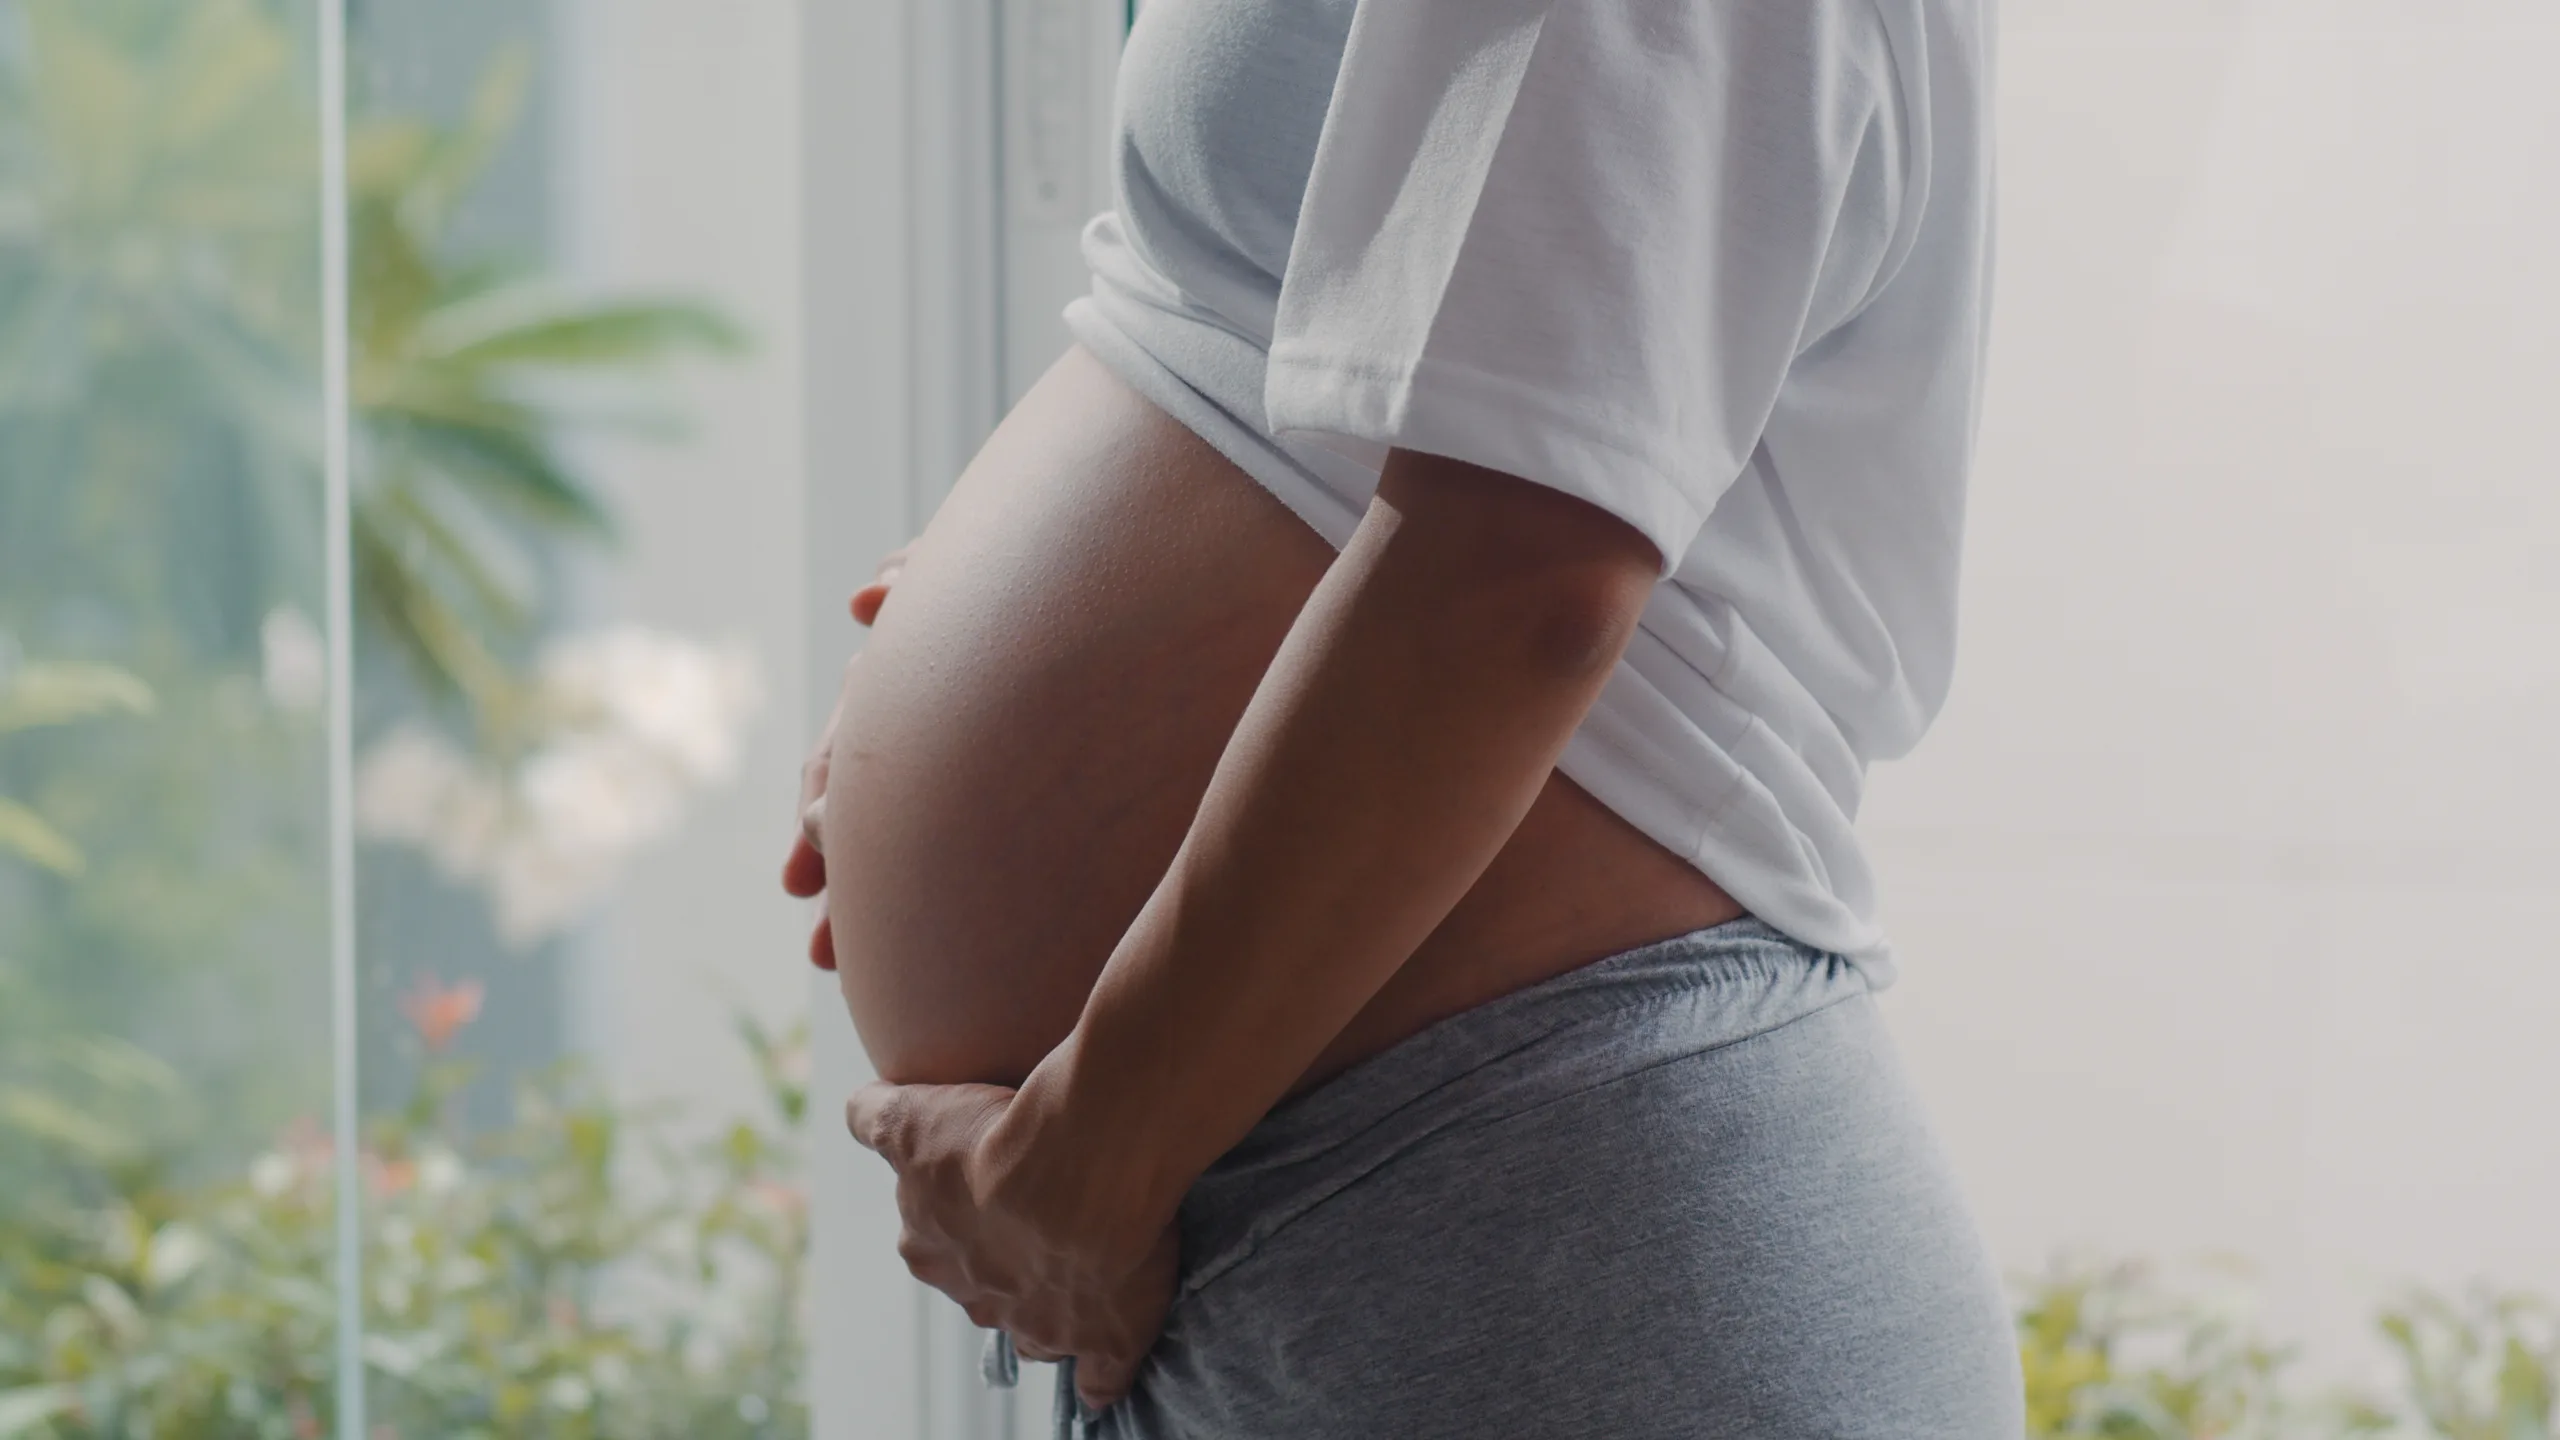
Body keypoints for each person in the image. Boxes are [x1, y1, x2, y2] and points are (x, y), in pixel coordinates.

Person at [785, 0, 2020, 1433]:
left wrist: (1079, 1170)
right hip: (1394, 1232)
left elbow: (1521, 581)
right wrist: (1007, 603)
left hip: (1544, 1244)